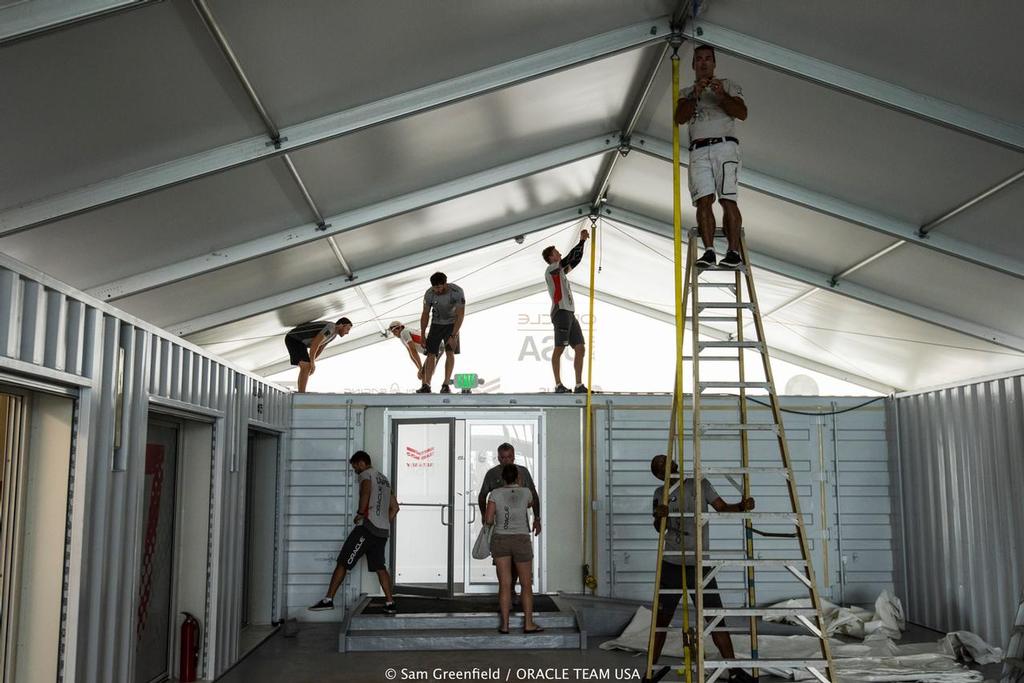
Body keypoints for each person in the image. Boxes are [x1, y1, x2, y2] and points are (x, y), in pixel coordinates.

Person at [646, 454, 755, 683]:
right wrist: (660, 516)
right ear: (657, 476)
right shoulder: (660, 495)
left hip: (699, 565)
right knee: (661, 620)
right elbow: (659, 528)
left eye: (669, 463)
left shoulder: (700, 484)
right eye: (661, 468)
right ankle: (649, 672)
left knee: (715, 617)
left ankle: (733, 670)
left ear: (676, 465)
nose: (668, 468)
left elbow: (722, 508)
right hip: (672, 565)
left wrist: (742, 507)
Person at [673, 44, 748, 271]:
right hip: (698, 150)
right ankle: (709, 251)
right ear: (694, 65)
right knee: (703, 200)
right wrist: (695, 95)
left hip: (725, 146)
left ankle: (733, 252)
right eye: (699, 59)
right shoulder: (686, 92)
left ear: (714, 63)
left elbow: (742, 113)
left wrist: (721, 95)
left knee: (728, 199)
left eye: (708, 59)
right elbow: (680, 118)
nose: (704, 63)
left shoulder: (727, 85)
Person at [309, 451, 400, 614]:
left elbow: (365, 492)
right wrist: (383, 521)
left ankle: (328, 599)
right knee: (380, 567)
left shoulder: (366, 475)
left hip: (367, 528)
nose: (355, 470)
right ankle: (390, 603)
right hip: (382, 532)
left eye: (355, 466)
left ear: (362, 463)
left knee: (343, 561)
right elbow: (395, 508)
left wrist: (360, 513)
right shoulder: (384, 479)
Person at [477, 443, 541, 600]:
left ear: (514, 457)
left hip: (519, 528)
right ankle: (508, 592)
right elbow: (482, 495)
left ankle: (511, 590)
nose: (506, 460)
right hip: (500, 528)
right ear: (498, 458)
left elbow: (534, 496)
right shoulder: (492, 474)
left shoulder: (523, 473)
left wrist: (537, 518)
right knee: (503, 563)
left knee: (518, 564)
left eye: (509, 457)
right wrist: (485, 515)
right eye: (503, 457)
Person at [485, 464, 543, 635]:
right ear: (518, 477)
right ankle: (529, 624)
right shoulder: (526, 492)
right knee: (526, 585)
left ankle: (504, 625)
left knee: (504, 585)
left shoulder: (495, 493)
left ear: (503, 478)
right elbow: (530, 504)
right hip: (521, 540)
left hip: (501, 539)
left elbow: (488, 519)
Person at [542, 229, 590, 393]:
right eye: (556, 252)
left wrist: (583, 244)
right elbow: (569, 257)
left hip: (570, 313)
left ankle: (578, 384)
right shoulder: (551, 270)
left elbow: (574, 260)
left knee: (580, 348)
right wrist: (581, 240)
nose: (560, 253)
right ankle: (558, 384)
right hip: (560, 311)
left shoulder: (561, 271)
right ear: (551, 258)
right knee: (559, 348)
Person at [417, 272, 465, 394]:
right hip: (436, 324)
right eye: (435, 288)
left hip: (452, 324)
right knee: (431, 354)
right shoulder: (429, 294)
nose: (437, 290)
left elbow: (460, 315)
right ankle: (426, 384)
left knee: (449, 351)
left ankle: (446, 384)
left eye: (439, 287)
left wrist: (453, 335)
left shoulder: (457, 292)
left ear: (445, 284)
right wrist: (422, 335)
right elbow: (425, 314)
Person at [284, 317, 352, 392]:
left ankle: (301, 392)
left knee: (307, 366)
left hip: (300, 342)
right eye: (347, 329)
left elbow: (320, 348)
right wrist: (312, 363)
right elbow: (315, 344)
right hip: (294, 339)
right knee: (306, 366)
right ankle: (301, 393)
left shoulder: (333, 335)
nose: (347, 332)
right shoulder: (331, 328)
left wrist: (312, 362)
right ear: (342, 325)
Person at [388, 320, 430, 386]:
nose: (394, 334)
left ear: (400, 328)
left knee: (424, 371)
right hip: (431, 348)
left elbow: (413, 350)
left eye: (395, 331)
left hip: (433, 348)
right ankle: (425, 386)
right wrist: (419, 368)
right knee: (424, 371)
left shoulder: (404, 332)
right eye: (393, 333)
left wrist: (420, 368)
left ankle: (425, 387)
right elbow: (410, 354)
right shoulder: (402, 337)